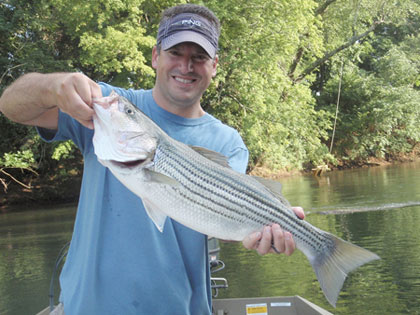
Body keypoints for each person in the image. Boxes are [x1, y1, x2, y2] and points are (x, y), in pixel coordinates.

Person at [0, 4, 304, 315]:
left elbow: (220, 225)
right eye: (175, 53)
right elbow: (11, 105)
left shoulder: (228, 143)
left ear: (214, 65)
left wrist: (263, 231)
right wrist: (52, 87)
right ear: (156, 55)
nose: (186, 66)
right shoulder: (108, 108)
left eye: (198, 57)